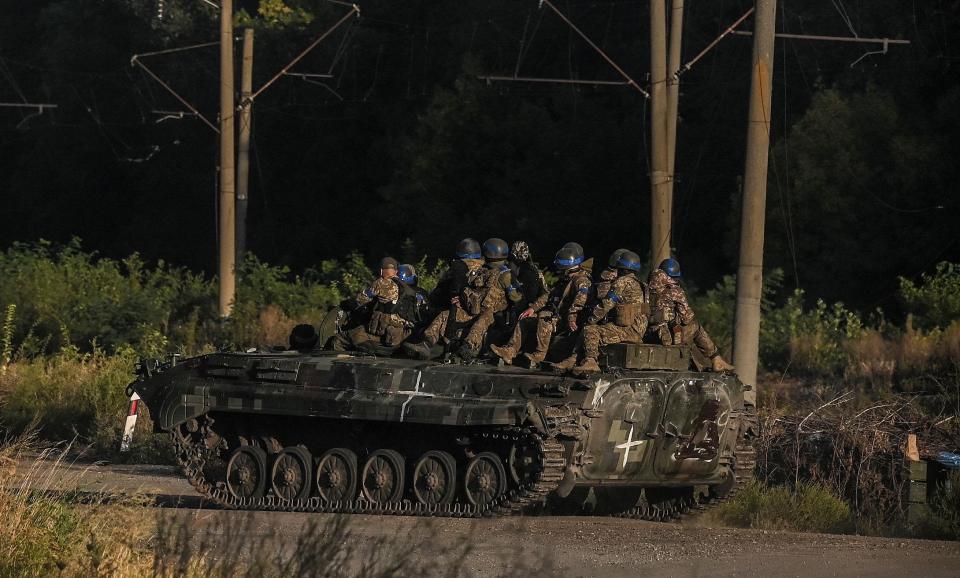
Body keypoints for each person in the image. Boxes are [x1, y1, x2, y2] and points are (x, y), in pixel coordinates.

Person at [491, 245, 592, 367]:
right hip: (558, 318)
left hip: (568, 322)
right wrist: (533, 308)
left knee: (544, 317)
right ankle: (510, 351)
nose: (558, 270)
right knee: (525, 321)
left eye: (561, 268)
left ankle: (539, 354)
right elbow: (548, 296)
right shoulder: (565, 280)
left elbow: (580, 302)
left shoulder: (581, 281)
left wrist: (571, 317)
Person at [554, 250, 649, 375]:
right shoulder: (641, 284)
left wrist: (591, 319)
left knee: (590, 329)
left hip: (629, 331)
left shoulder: (622, 282)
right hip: (638, 329)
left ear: (621, 268)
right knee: (592, 328)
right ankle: (574, 358)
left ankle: (590, 361)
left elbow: (606, 304)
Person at [648, 258, 734, 372]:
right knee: (695, 326)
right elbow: (687, 318)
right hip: (665, 336)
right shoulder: (675, 291)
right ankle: (716, 359)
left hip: (648, 334)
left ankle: (697, 363)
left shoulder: (646, 287)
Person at [403, 239, 484, 359]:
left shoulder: (457, 267)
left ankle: (426, 343)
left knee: (439, 314)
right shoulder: (486, 270)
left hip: (459, 312)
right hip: (479, 313)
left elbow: (439, 293)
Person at [457, 238, 523, 361]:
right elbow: (516, 297)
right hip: (476, 309)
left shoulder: (501, 274)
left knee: (485, 316)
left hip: (496, 315)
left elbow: (516, 298)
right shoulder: (487, 271)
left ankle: (470, 346)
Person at [332, 257, 401, 351]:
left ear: (381, 271)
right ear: (396, 271)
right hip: (400, 332)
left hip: (383, 330)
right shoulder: (405, 285)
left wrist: (347, 303)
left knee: (341, 339)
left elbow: (359, 301)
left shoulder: (381, 283)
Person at [508, 240, 549, 326]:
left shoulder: (526, 271)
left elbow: (530, 294)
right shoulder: (534, 269)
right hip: (535, 306)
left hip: (531, 308)